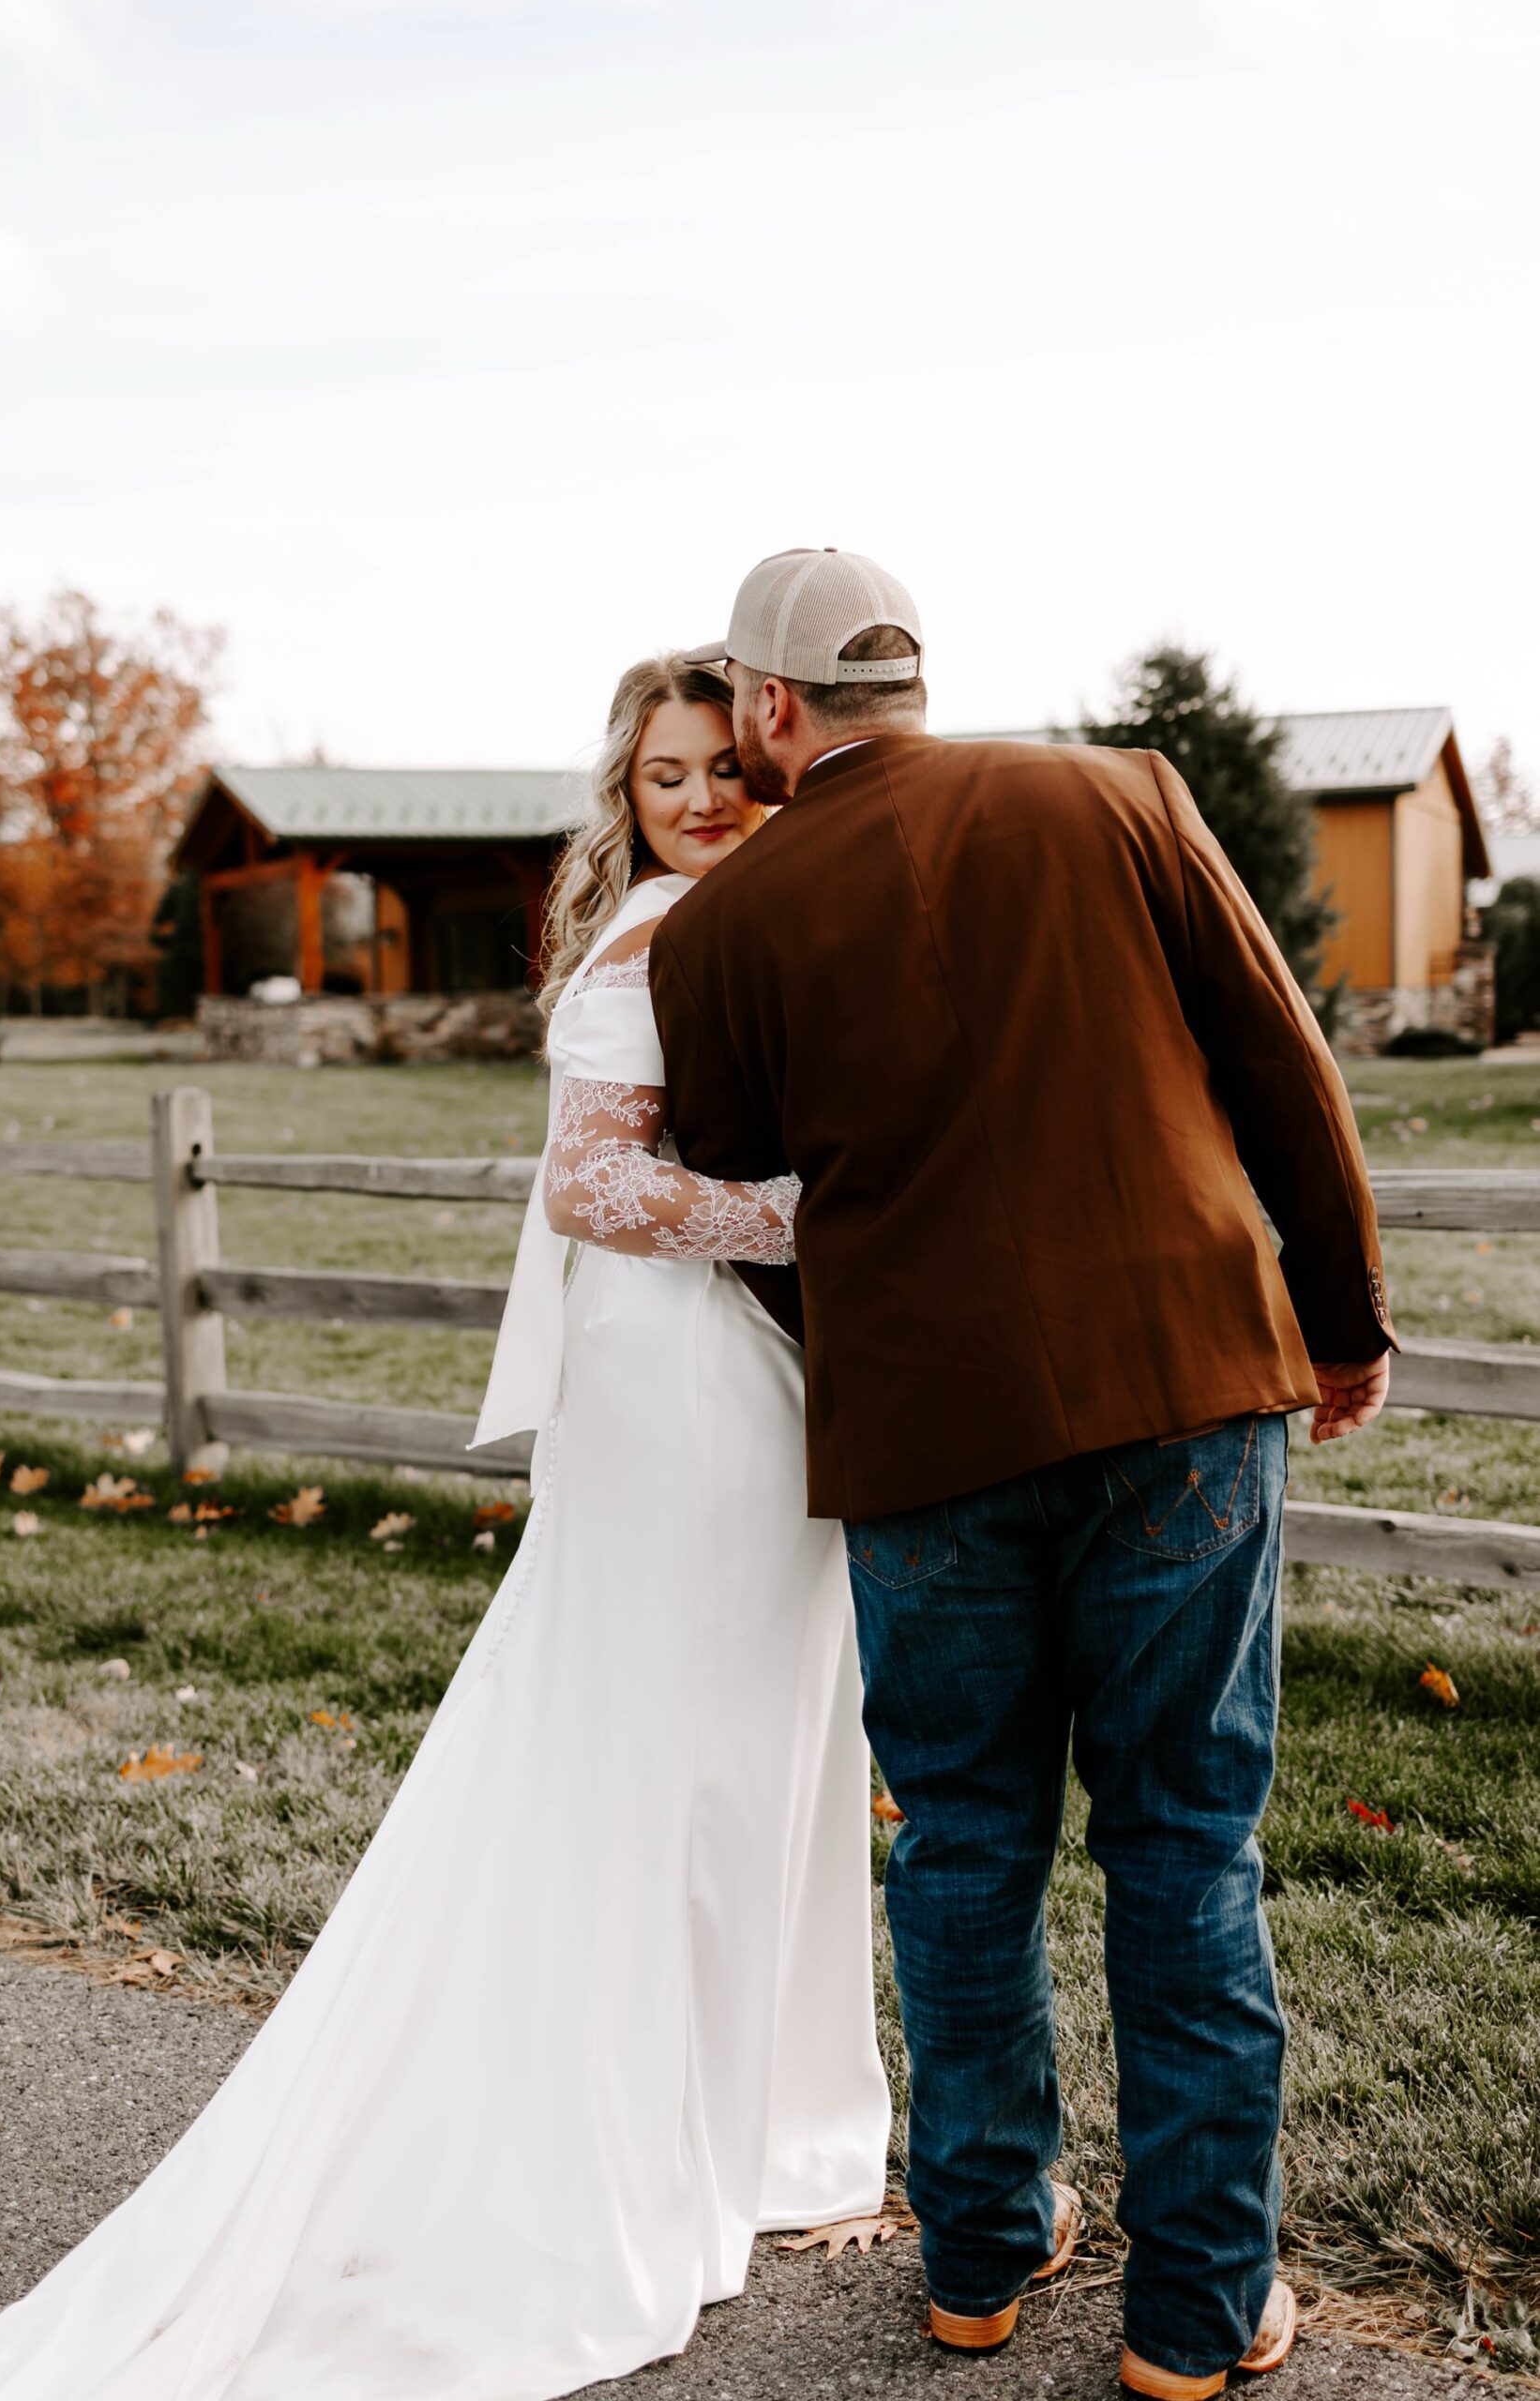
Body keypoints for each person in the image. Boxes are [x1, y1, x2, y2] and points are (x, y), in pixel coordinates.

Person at [0, 655, 891, 2401]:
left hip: (727, 1370)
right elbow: (590, 1181)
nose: (699, 802)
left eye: (725, 775)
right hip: (679, 1383)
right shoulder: (654, 940)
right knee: (684, 1750)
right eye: (666, 776)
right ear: (628, 794)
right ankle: (669, 2137)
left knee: (749, 1744)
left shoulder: (754, 924)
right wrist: (801, 1216)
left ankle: (757, 2122)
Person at [652, 549, 1396, 2397]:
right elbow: (1276, 1057)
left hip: (925, 1431)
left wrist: (873, 1326)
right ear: (909, 674)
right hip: (1177, 1383)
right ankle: (1196, 2309)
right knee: (1181, 1843)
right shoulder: (1113, 791)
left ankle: (979, 2256)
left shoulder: (717, 928)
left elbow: (741, 1186)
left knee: (966, 1842)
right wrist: (1342, 1310)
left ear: (767, 707)